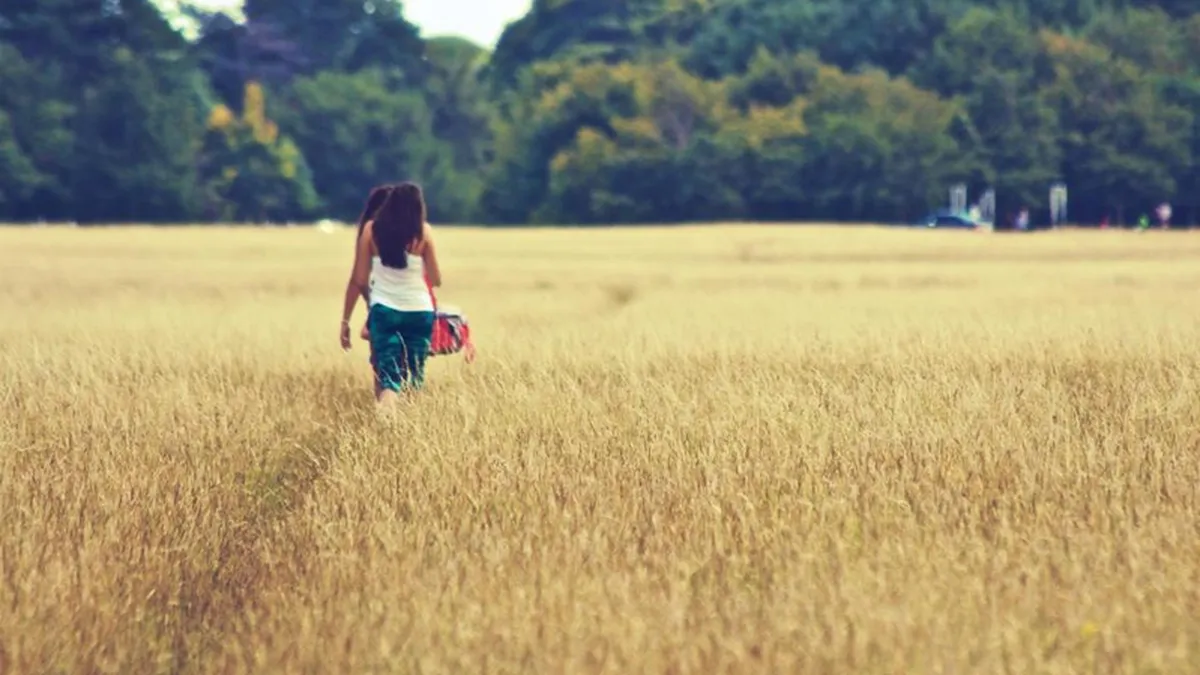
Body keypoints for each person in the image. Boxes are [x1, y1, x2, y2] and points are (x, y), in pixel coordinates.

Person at [340, 182, 442, 403]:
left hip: (385, 310)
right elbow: (436, 279)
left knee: (388, 379)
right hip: (419, 311)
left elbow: (359, 278)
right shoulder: (424, 232)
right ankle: (410, 430)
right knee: (415, 376)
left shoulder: (371, 230)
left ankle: (386, 427)